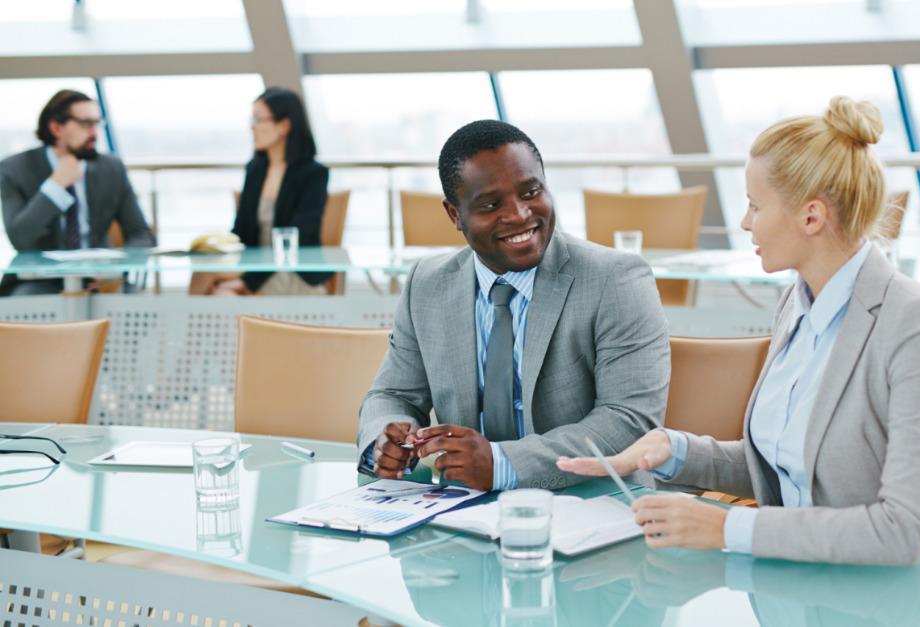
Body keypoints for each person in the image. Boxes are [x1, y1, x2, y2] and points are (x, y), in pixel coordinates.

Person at [560, 97, 920, 567]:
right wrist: (672, 449)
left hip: (904, 597)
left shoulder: (916, 321)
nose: (744, 222)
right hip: (804, 584)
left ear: (811, 217)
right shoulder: (796, 303)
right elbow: (791, 467)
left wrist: (724, 527)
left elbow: (904, 530)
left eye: (755, 206)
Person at [358, 119, 670, 492]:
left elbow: (630, 421)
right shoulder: (427, 284)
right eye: (491, 204)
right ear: (455, 215)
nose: (520, 215)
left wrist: (502, 465)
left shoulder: (615, 279)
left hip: (592, 503)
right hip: (462, 510)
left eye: (530, 192)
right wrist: (385, 438)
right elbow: (392, 394)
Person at [0, 89, 155, 296]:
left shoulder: (111, 168)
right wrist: (55, 186)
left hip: (99, 279)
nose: (94, 133)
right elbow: (21, 238)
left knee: (140, 305)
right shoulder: (15, 169)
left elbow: (141, 234)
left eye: (97, 123)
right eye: (86, 124)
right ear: (56, 128)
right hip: (42, 281)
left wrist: (113, 266)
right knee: (24, 301)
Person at [195, 86, 330, 296]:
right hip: (255, 268)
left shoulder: (313, 174)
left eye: (258, 120)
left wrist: (248, 282)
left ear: (284, 125)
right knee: (203, 272)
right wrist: (215, 249)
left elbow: (300, 236)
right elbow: (241, 231)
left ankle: (186, 329)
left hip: (291, 271)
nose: (252, 127)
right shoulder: (255, 169)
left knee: (222, 294)